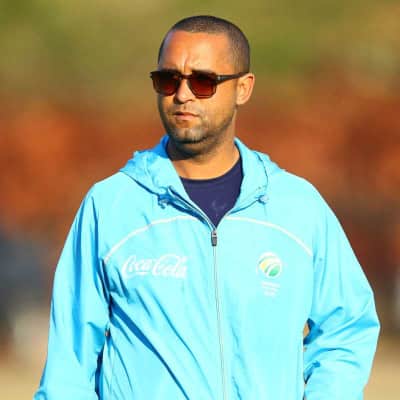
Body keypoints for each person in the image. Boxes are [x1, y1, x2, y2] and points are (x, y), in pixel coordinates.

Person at [34, 15, 379, 400]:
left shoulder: (298, 207)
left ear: (243, 88)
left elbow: (346, 330)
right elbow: (69, 366)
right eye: (168, 79)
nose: (182, 94)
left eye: (203, 81)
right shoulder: (110, 205)